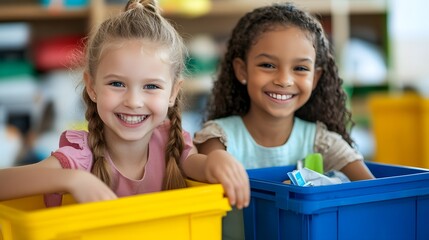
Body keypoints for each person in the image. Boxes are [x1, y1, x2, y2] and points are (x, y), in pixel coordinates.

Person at [0, 0, 249, 210]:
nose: (133, 101)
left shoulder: (172, 147)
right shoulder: (80, 158)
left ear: (173, 93)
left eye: (151, 86)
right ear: (92, 86)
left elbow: (206, 167)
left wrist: (217, 159)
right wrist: (71, 179)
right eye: (117, 84)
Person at [193, 2, 375, 239]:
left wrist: (320, 188)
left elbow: (370, 194)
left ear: (315, 77)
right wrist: (214, 160)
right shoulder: (218, 138)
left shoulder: (322, 142)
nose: (284, 80)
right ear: (242, 70)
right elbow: (196, 171)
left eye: (300, 68)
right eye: (268, 65)